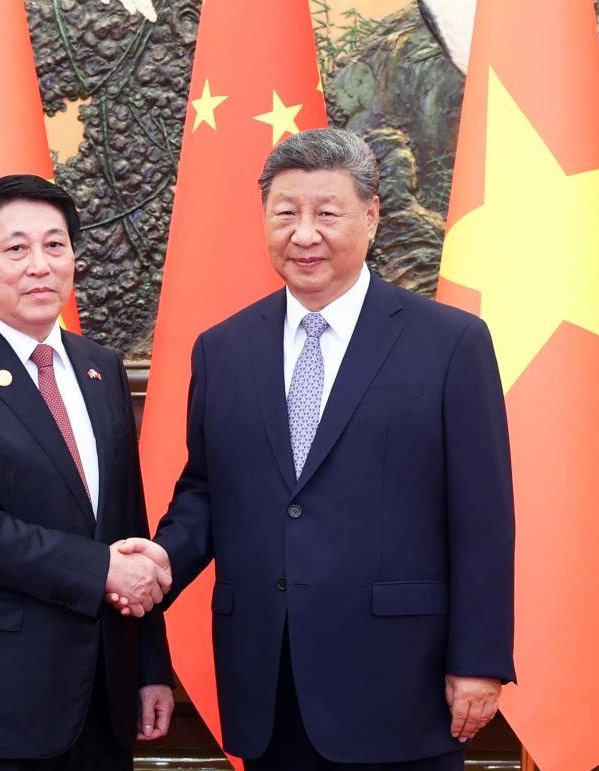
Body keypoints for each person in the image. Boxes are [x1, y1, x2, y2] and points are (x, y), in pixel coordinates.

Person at [112, 128, 515, 769]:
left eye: (327, 213)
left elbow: (483, 514)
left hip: (401, 681)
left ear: (372, 215)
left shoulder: (450, 343)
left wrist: (479, 659)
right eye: (286, 214)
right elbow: (208, 491)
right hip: (267, 681)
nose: (304, 234)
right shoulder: (224, 348)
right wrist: (160, 560)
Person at [0, 174, 174, 771]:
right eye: (17, 248)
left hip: (102, 694)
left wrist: (149, 667)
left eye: (56, 245)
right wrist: (101, 569)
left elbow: (126, 522)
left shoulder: (101, 368)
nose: (40, 266)